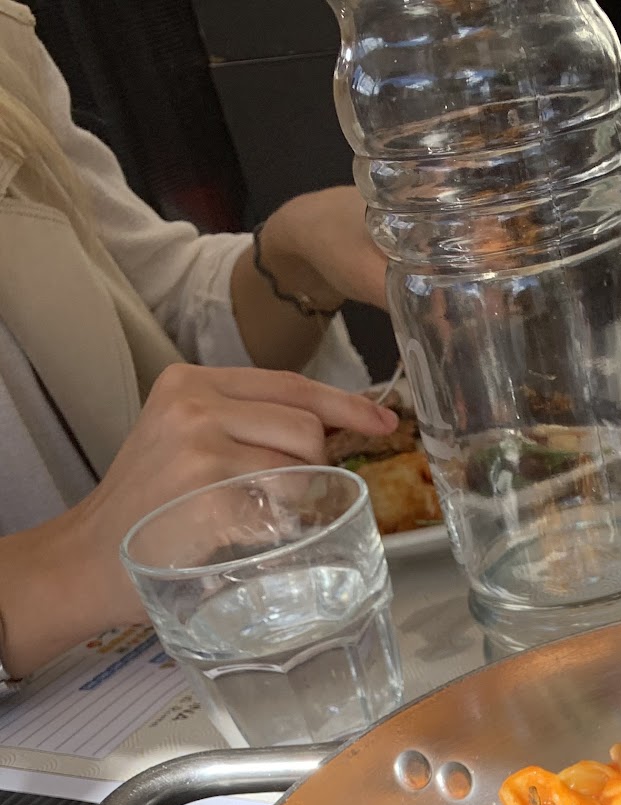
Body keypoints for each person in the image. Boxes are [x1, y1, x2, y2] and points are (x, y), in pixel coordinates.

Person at [0, 0, 399, 690]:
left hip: (180, 664)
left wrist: (297, 257)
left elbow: (144, 318)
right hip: (67, 732)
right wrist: (63, 569)